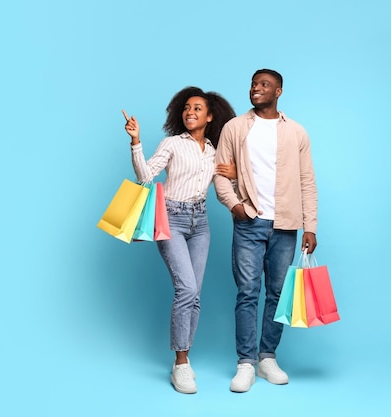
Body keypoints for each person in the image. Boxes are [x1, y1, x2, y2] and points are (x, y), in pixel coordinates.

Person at [122, 86, 236, 394]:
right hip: (171, 217)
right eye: (186, 107)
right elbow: (146, 175)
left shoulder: (215, 151)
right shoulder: (172, 143)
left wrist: (235, 173)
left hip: (201, 223)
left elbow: (228, 184)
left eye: (198, 108)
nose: (190, 112)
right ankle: (181, 363)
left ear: (210, 117)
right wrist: (135, 141)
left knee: (194, 293)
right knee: (185, 288)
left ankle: (185, 357)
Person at [213, 69, 318, 393]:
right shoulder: (235, 127)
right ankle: (245, 362)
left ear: (279, 92)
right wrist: (235, 206)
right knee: (247, 293)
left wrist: (310, 226)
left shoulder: (296, 132)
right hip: (249, 223)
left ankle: (267, 358)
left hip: (286, 225)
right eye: (254, 84)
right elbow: (220, 173)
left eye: (264, 85)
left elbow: (307, 181)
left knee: (276, 294)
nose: (256, 89)